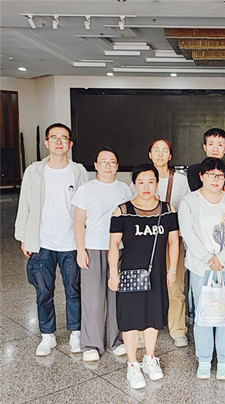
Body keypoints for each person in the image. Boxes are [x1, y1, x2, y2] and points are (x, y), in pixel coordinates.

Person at [14, 123, 88, 356]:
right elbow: (25, 204)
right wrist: (24, 237)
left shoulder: (78, 171)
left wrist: (84, 242)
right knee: (43, 292)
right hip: (42, 241)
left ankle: (76, 333)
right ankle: (48, 335)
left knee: (74, 290)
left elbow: (86, 207)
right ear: (46, 143)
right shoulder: (34, 171)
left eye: (63, 138)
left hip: (71, 243)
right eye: (54, 138)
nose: (58, 142)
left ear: (70, 144)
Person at [108, 163, 179, 389]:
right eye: (141, 182)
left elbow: (174, 242)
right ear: (134, 185)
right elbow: (113, 245)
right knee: (130, 318)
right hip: (130, 273)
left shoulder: (168, 210)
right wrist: (113, 274)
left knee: (153, 316)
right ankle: (132, 364)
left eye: (150, 181)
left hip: (156, 273)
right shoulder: (122, 211)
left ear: (157, 184)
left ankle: (149, 358)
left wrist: (172, 270)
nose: (146, 186)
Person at [178, 157, 225, 380]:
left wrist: (222, 258)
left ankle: (224, 360)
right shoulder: (189, 202)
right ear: (201, 176)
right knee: (203, 316)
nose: (215, 179)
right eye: (210, 175)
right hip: (202, 268)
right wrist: (209, 259)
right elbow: (188, 233)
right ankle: (205, 359)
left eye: (220, 175)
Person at [72, 147, 131, 362]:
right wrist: (80, 250)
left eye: (112, 162)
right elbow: (78, 222)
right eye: (103, 162)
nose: (108, 165)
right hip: (93, 247)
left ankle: (115, 340)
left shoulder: (124, 189)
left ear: (117, 166)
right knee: (93, 299)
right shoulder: (86, 189)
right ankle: (91, 344)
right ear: (96, 165)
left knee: (117, 297)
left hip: (119, 248)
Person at [148, 139, 191, 347]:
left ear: (170, 156)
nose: (160, 154)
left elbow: (186, 211)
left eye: (164, 151)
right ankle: (145, 328)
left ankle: (178, 329)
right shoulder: (142, 177)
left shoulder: (180, 181)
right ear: (150, 154)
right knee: (147, 285)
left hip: (173, 239)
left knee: (175, 285)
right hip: (147, 239)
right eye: (156, 150)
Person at [186, 128, 225, 197]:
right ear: (205, 147)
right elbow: (199, 195)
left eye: (220, 145)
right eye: (211, 144)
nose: (215, 149)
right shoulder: (194, 171)